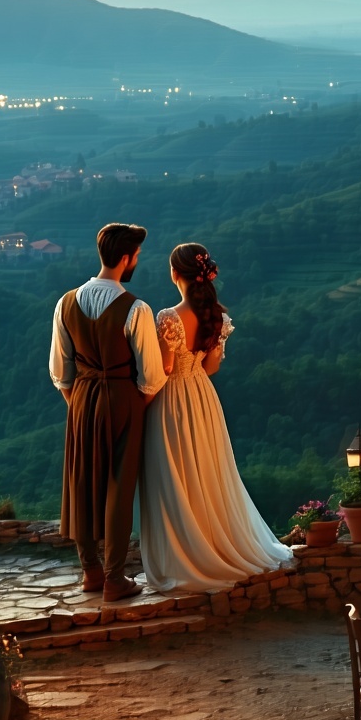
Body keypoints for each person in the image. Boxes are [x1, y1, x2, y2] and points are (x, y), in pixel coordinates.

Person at [140, 243, 293, 592]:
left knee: (175, 476)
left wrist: (141, 404)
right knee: (207, 472)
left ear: (175, 274)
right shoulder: (218, 318)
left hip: (172, 399)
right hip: (203, 400)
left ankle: (187, 555)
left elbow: (162, 369)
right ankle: (214, 544)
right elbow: (211, 367)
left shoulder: (168, 317)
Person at [49, 223, 166, 602]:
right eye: (137, 257)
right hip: (122, 397)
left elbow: (59, 371)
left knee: (81, 480)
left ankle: (90, 572)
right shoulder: (136, 308)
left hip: (81, 397)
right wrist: (133, 408)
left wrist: (80, 404)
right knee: (120, 485)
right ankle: (115, 578)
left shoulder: (65, 303)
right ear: (127, 258)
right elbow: (151, 377)